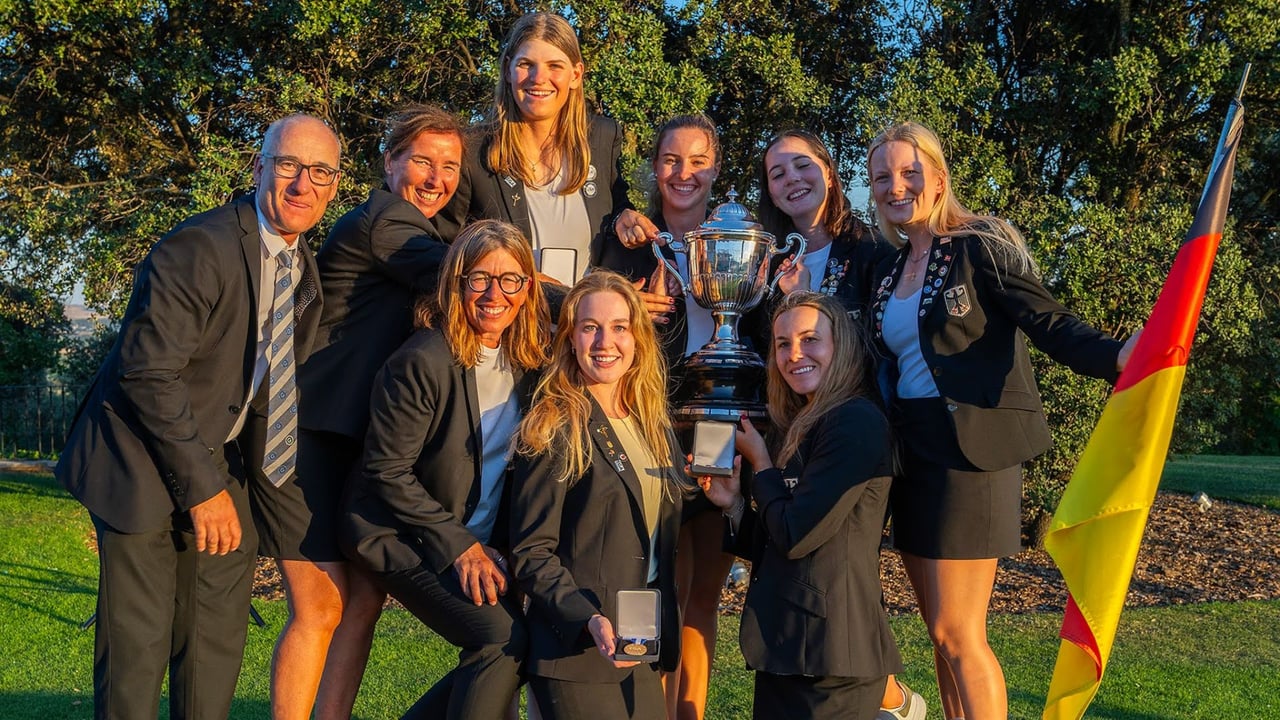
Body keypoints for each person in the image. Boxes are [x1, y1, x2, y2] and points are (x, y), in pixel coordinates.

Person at [55, 113, 339, 719]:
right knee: (140, 648)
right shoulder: (199, 247)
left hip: (220, 461)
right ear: (259, 168)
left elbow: (267, 391)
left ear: (335, 186)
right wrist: (204, 489)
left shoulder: (300, 263)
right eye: (288, 165)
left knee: (214, 642)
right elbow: (146, 373)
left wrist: (249, 494)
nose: (301, 184)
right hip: (135, 459)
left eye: (320, 172)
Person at [866, 121, 1139, 720]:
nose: (896, 185)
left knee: (959, 631)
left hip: (973, 451)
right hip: (909, 453)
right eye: (882, 176)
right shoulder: (887, 271)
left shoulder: (979, 245)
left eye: (910, 171)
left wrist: (1116, 355)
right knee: (938, 635)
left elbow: (1046, 319)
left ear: (939, 178)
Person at [265, 105, 464, 720]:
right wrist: (597, 300)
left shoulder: (425, 228)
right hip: (311, 438)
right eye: (422, 161)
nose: (435, 177)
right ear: (389, 162)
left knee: (363, 603)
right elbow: (477, 280)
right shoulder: (388, 222)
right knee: (320, 606)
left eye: (449, 166)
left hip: (357, 443)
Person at [340, 219, 550, 719]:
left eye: (510, 280)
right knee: (498, 638)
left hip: (473, 535)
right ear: (456, 283)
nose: (494, 293)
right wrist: (461, 548)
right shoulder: (423, 360)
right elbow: (386, 472)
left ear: (527, 288)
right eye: (479, 278)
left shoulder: (525, 363)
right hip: (395, 532)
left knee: (515, 642)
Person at [756, 128, 924, 720]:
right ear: (770, 193)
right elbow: (776, 356)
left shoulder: (874, 252)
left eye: (802, 165)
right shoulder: (763, 260)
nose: (791, 179)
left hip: (860, 432)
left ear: (830, 172)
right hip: (796, 430)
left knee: (841, 568)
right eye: (777, 173)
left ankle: (883, 694)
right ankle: (884, 695)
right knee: (810, 569)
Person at [698, 292, 903, 719]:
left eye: (811, 340)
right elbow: (776, 540)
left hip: (831, 656)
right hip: (788, 649)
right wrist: (734, 504)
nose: (795, 355)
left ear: (839, 346)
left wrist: (762, 465)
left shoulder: (855, 422)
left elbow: (796, 535)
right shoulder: (799, 423)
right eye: (782, 343)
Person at [510, 271, 689, 719]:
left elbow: (650, 523)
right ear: (570, 339)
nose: (604, 341)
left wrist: (718, 498)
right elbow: (532, 553)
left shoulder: (652, 422)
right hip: (576, 650)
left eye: (619, 327)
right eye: (589, 327)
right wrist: (586, 618)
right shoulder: (553, 423)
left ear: (638, 339)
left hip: (642, 642)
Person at [599, 113, 731, 720]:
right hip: (642, 425)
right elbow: (588, 319)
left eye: (698, 161)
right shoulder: (624, 240)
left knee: (701, 592)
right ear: (654, 168)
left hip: (715, 427)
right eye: (671, 160)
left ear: (716, 169)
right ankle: (639, 708)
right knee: (651, 584)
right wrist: (630, 302)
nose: (684, 173)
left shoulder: (737, 242)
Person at [436, 11, 653, 286]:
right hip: (507, 322)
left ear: (576, 74)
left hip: (584, 324)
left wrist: (625, 217)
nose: (539, 78)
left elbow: (614, 212)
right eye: (526, 64)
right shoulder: (473, 149)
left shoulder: (602, 137)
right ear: (507, 69)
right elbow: (445, 247)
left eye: (555, 66)